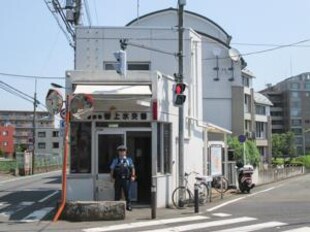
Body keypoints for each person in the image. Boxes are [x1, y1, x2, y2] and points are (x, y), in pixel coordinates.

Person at [110, 145, 136, 211]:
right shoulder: (115, 160)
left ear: (125, 152)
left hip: (126, 179)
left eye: (123, 151)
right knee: (117, 193)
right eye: (120, 151)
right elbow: (112, 169)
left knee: (127, 193)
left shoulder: (129, 160)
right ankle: (116, 206)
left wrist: (133, 176)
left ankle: (128, 206)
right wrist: (112, 178)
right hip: (118, 179)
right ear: (118, 152)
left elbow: (132, 168)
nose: (122, 152)